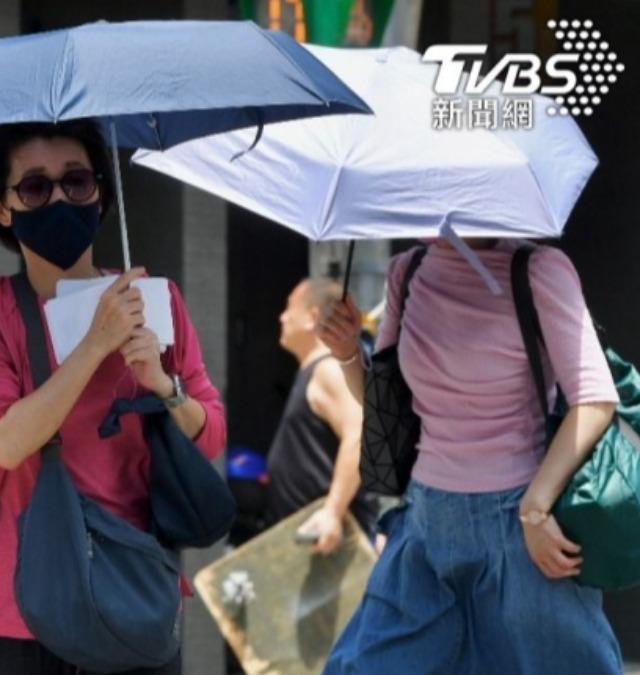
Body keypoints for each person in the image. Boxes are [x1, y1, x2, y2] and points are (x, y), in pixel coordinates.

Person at [0, 120, 227, 675]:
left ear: (100, 192)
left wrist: (163, 387)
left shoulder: (153, 299)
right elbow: (4, 442)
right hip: (20, 602)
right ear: (3, 208)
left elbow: (209, 434)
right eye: (34, 188)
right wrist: (95, 344)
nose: (59, 198)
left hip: (133, 592)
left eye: (76, 182)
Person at [318, 239, 623, 673]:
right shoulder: (408, 271)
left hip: (520, 529)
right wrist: (348, 350)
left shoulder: (539, 270)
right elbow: (385, 403)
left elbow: (594, 401)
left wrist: (535, 509)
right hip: (426, 524)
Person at [266, 278, 375, 552]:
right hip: (315, 545)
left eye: (289, 307)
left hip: (337, 548)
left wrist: (333, 512)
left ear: (312, 317)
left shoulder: (329, 370)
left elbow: (360, 434)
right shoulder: (314, 370)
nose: (282, 317)